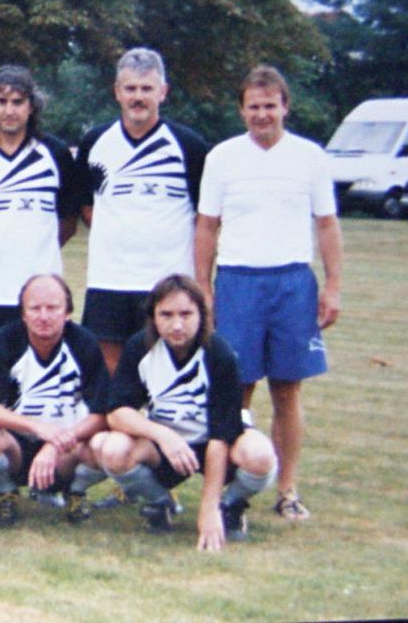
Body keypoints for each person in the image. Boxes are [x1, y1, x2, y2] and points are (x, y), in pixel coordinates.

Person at [194, 65, 342, 521]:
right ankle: (231, 490)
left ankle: (287, 489)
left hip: (292, 283)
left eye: (270, 106)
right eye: (254, 106)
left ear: (285, 107)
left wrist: (333, 285)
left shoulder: (310, 157)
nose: (262, 115)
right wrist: (203, 288)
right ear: (241, 110)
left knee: (287, 392)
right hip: (238, 282)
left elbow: (326, 224)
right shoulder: (222, 157)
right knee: (236, 390)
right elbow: (206, 226)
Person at [0, 64, 81, 503]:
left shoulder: (56, 154)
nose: (9, 110)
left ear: (32, 106)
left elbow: (68, 221)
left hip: (37, 291)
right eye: (1, 101)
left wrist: (34, 257)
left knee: (41, 379)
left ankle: (47, 470)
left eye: (18, 102)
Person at [94, 274, 278, 550]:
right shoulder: (140, 347)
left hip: (214, 442)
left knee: (260, 454)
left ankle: (229, 506)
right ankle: (160, 502)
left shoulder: (219, 354)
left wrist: (209, 507)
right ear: (153, 316)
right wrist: (163, 435)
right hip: (166, 447)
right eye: (166, 315)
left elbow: (220, 437)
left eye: (186, 314)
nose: (177, 324)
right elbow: (117, 413)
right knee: (109, 448)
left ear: (202, 315)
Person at [76, 48, 208, 375]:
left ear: (162, 92)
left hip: (167, 281)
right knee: (109, 372)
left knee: (166, 371)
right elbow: (85, 206)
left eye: (147, 88)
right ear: (117, 91)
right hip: (109, 279)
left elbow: (203, 217)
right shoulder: (94, 142)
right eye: (131, 88)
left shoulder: (189, 146)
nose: (138, 97)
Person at [0, 274, 110, 526]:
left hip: (67, 450)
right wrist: (37, 427)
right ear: (23, 313)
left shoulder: (84, 343)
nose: (43, 316)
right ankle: (6, 491)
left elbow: (102, 415)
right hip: (16, 449)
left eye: (52, 308)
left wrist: (56, 444)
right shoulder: (6, 339)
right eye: (35, 308)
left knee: (104, 443)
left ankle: (75, 491)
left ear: (68, 312)